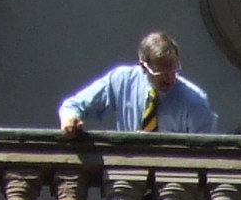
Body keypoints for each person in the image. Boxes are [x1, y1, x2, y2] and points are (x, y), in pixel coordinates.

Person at [58, 29, 220, 134]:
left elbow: (203, 153)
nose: (170, 78)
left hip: (173, 180)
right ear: (143, 66)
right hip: (129, 174)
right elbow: (74, 104)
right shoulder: (122, 80)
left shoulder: (195, 101)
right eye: (161, 72)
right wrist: (70, 118)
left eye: (174, 69)